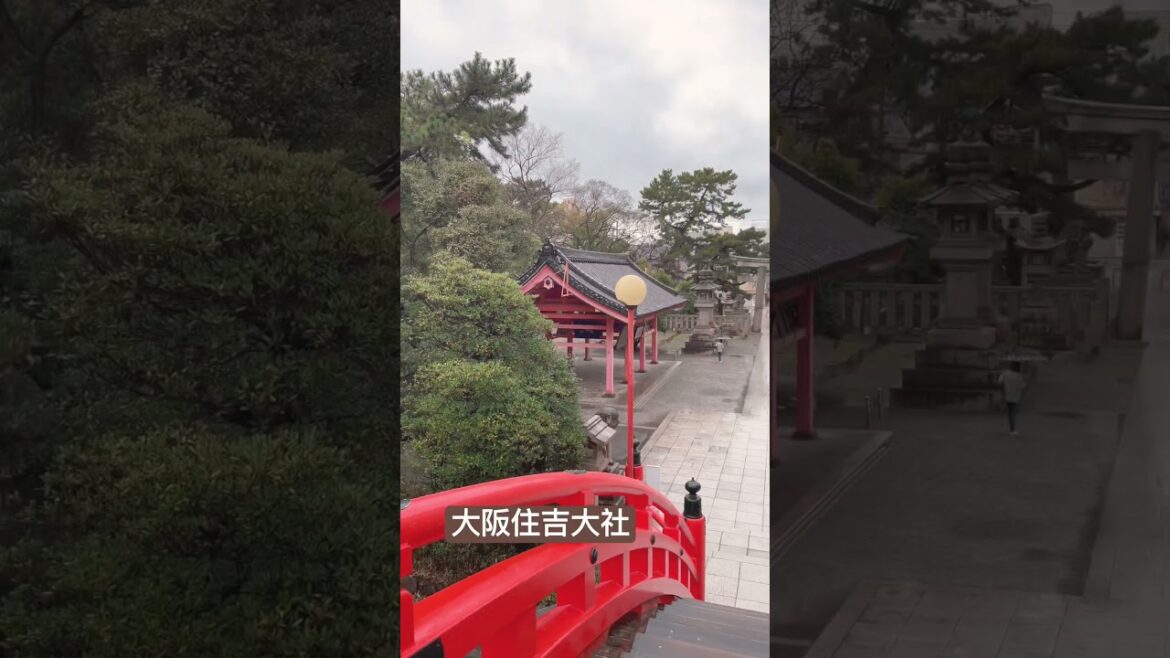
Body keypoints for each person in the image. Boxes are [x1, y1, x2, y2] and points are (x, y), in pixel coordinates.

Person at [998, 361, 1025, 435]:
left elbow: (999, 381)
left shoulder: (1005, 373)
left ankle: (1011, 429)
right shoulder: (1018, 375)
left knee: (1010, 413)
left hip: (1007, 395)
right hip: (1015, 397)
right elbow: (1022, 386)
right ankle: (1012, 430)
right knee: (1013, 413)